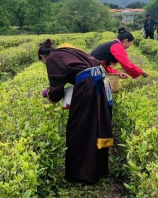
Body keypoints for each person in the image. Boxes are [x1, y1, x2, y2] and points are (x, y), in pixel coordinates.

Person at [39, 39, 114, 184]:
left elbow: (56, 87)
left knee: (80, 127)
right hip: (98, 82)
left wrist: (48, 93)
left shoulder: (52, 58)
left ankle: (82, 174)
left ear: (43, 57)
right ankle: (99, 169)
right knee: (95, 123)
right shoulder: (67, 50)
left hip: (87, 86)